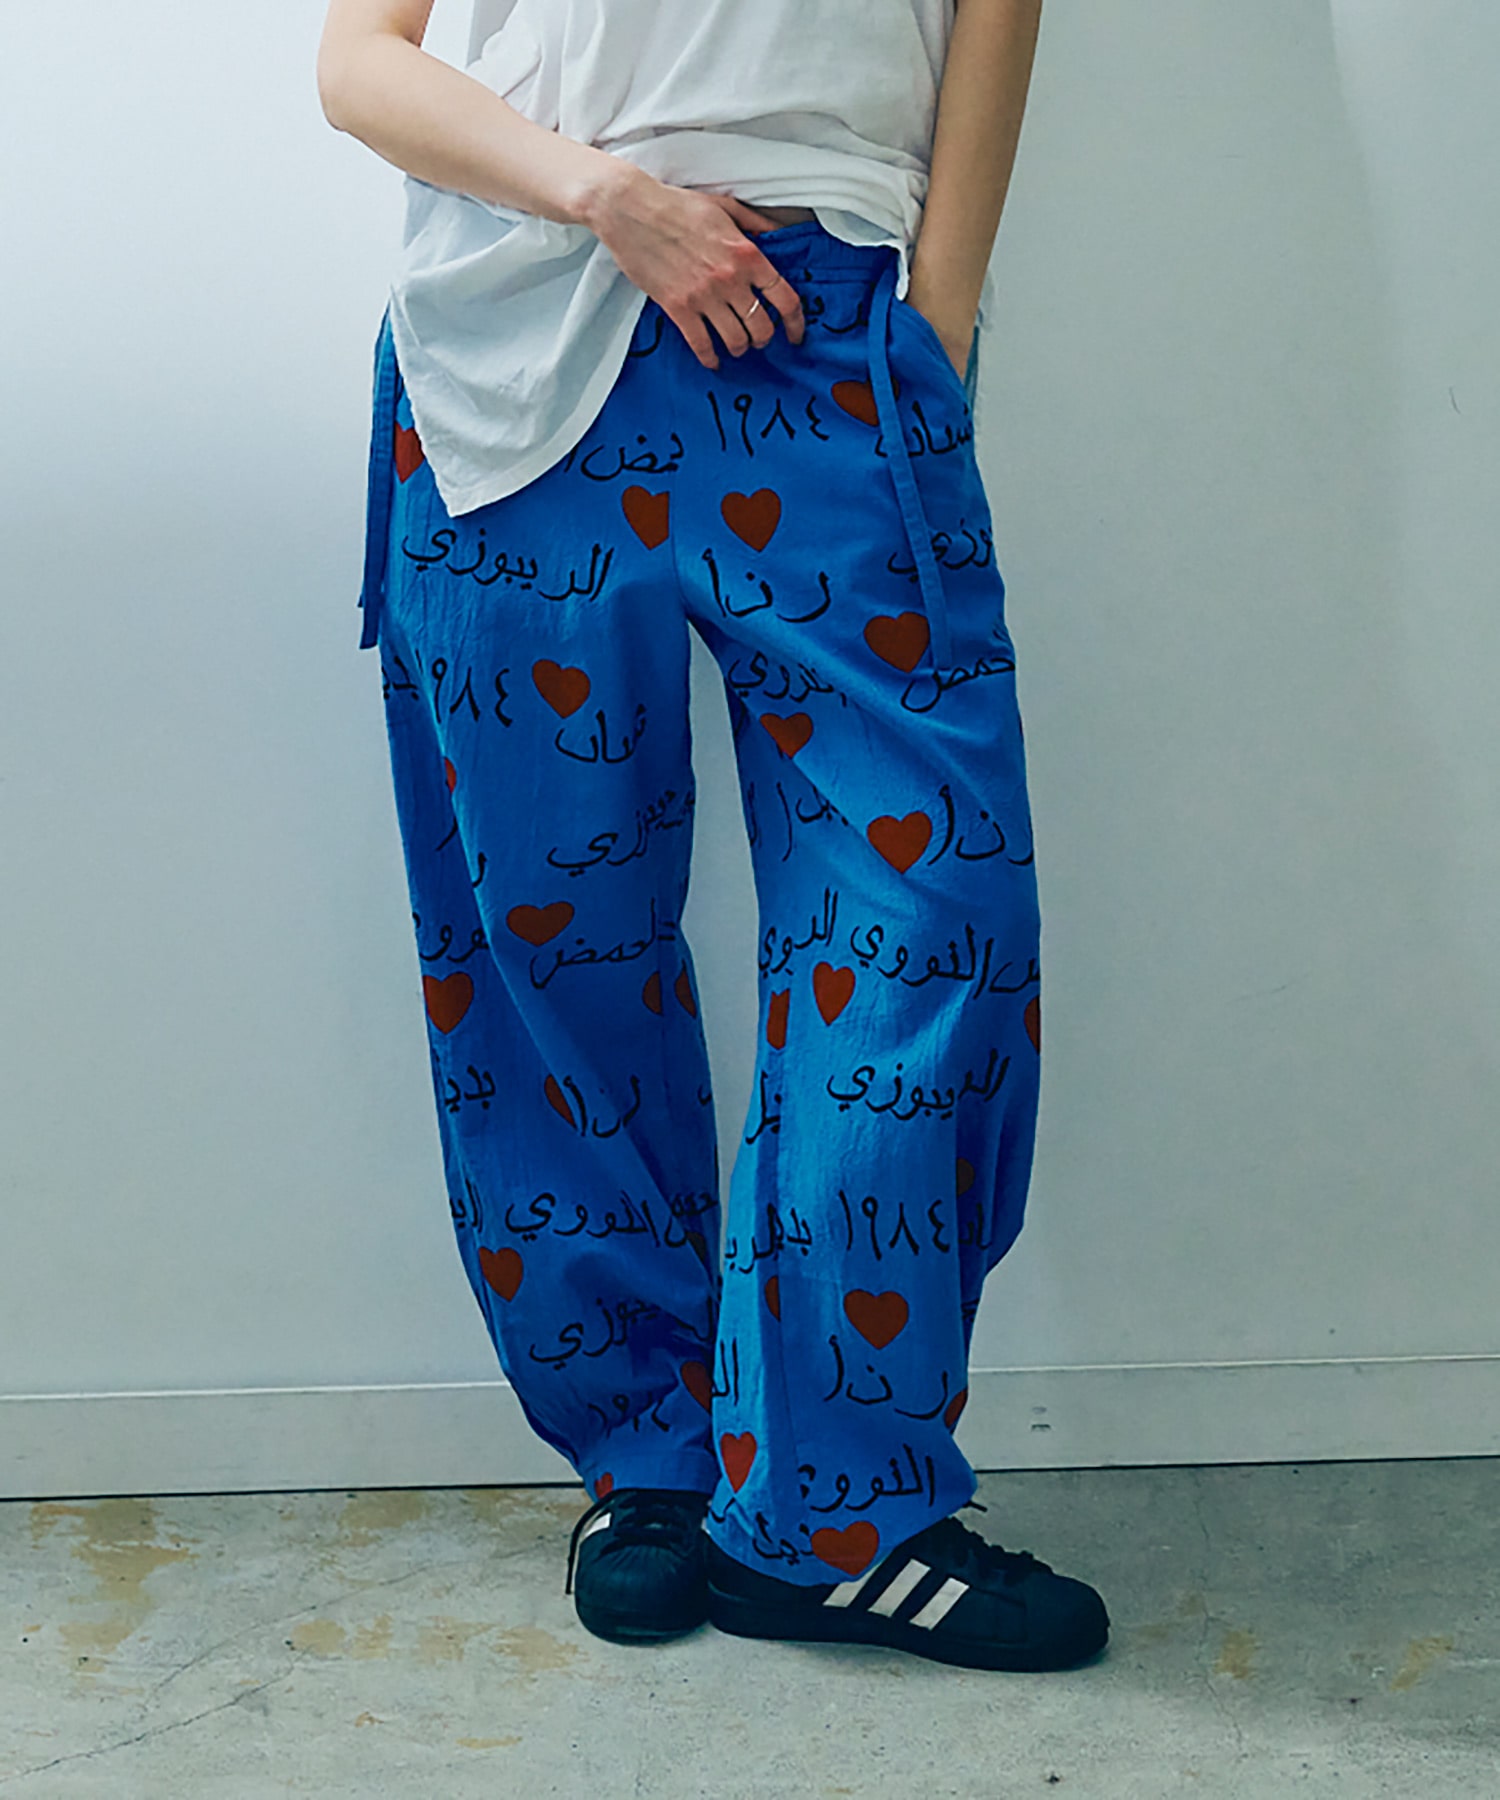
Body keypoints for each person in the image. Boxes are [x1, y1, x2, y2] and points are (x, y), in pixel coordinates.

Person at [317, 0, 1108, 1673]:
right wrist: (608, 196)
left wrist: (938, 319)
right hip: (511, 349)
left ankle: (839, 1511)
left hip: (827, 324)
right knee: (550, 943)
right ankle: (652, 1459)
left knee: (930, 917)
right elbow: (359, 65)